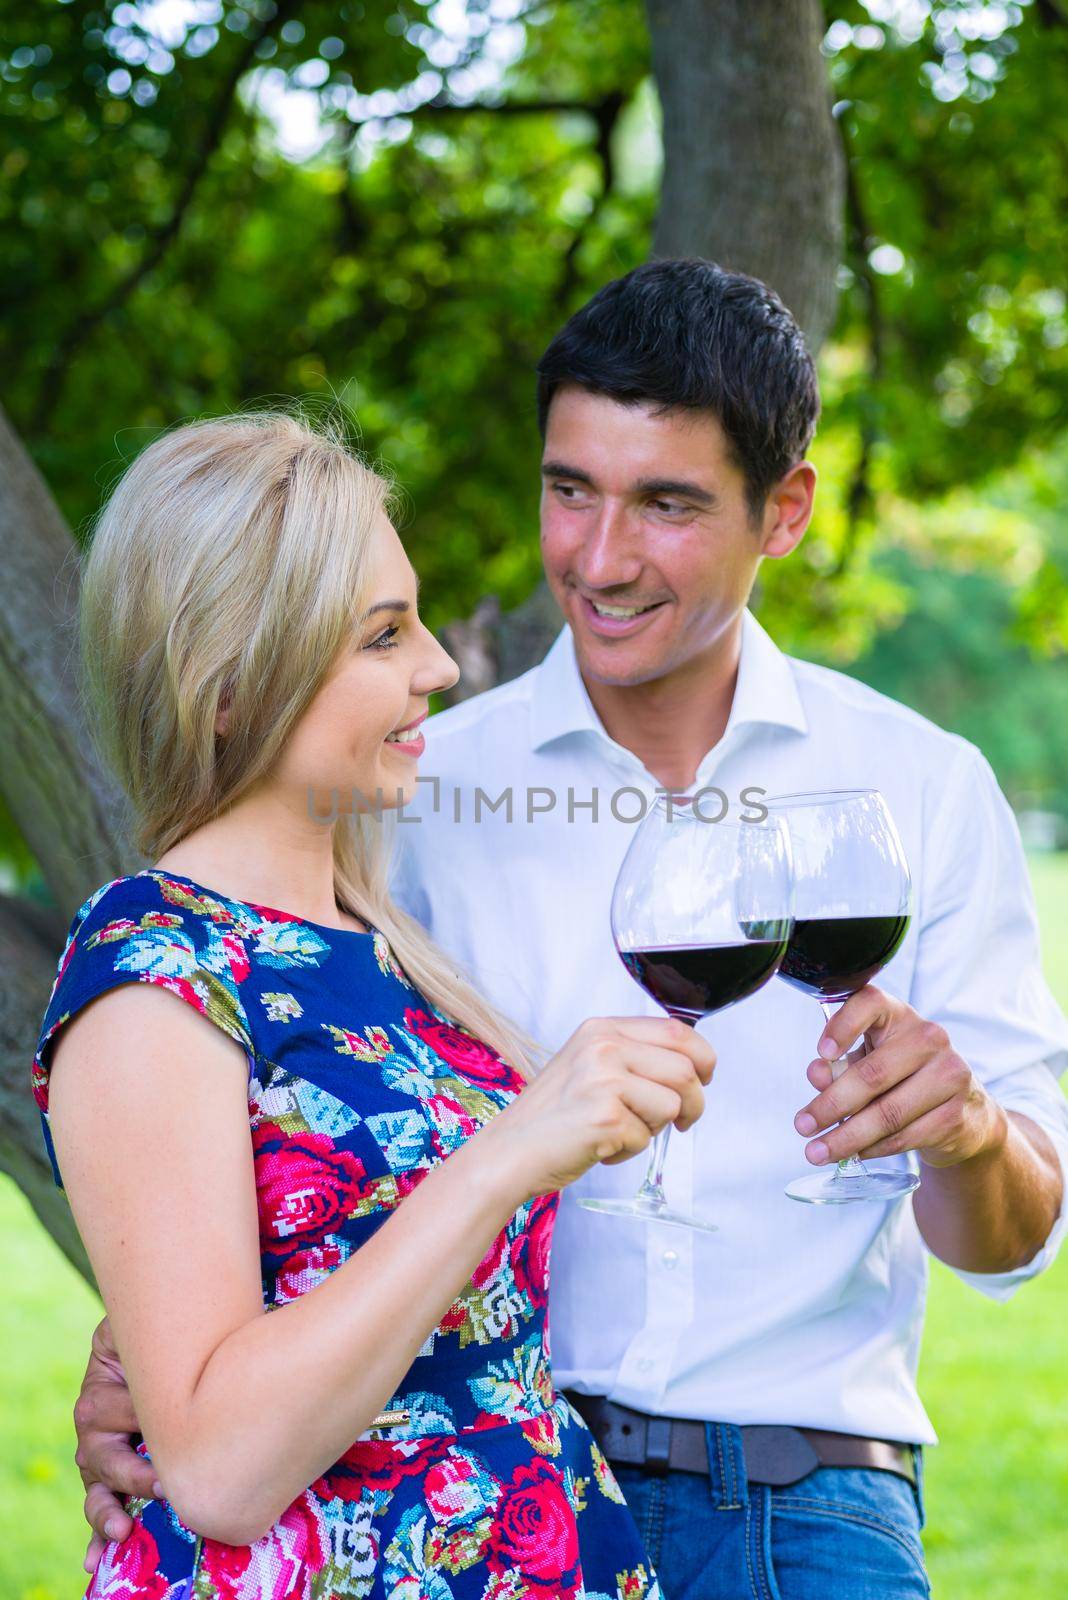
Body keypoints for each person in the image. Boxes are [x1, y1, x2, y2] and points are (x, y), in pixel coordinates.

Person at [72, 263, 1068, 1599]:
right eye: (569, 491)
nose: (600, 559)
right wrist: (149, 1347)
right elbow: (279, 1110)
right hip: (466, 1493)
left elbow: (1018, 1231)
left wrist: (968, 1133)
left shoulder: (920, 786)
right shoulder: (413, 795)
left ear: (785, 511)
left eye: (664, 504)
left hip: (798, 1491)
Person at [34, 409, 720, 1599]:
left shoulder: (385, 938)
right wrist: (511, 1151)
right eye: (383, 634)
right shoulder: (155, 964)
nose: (440, 667)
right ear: (235, 680)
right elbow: (221, 1472)